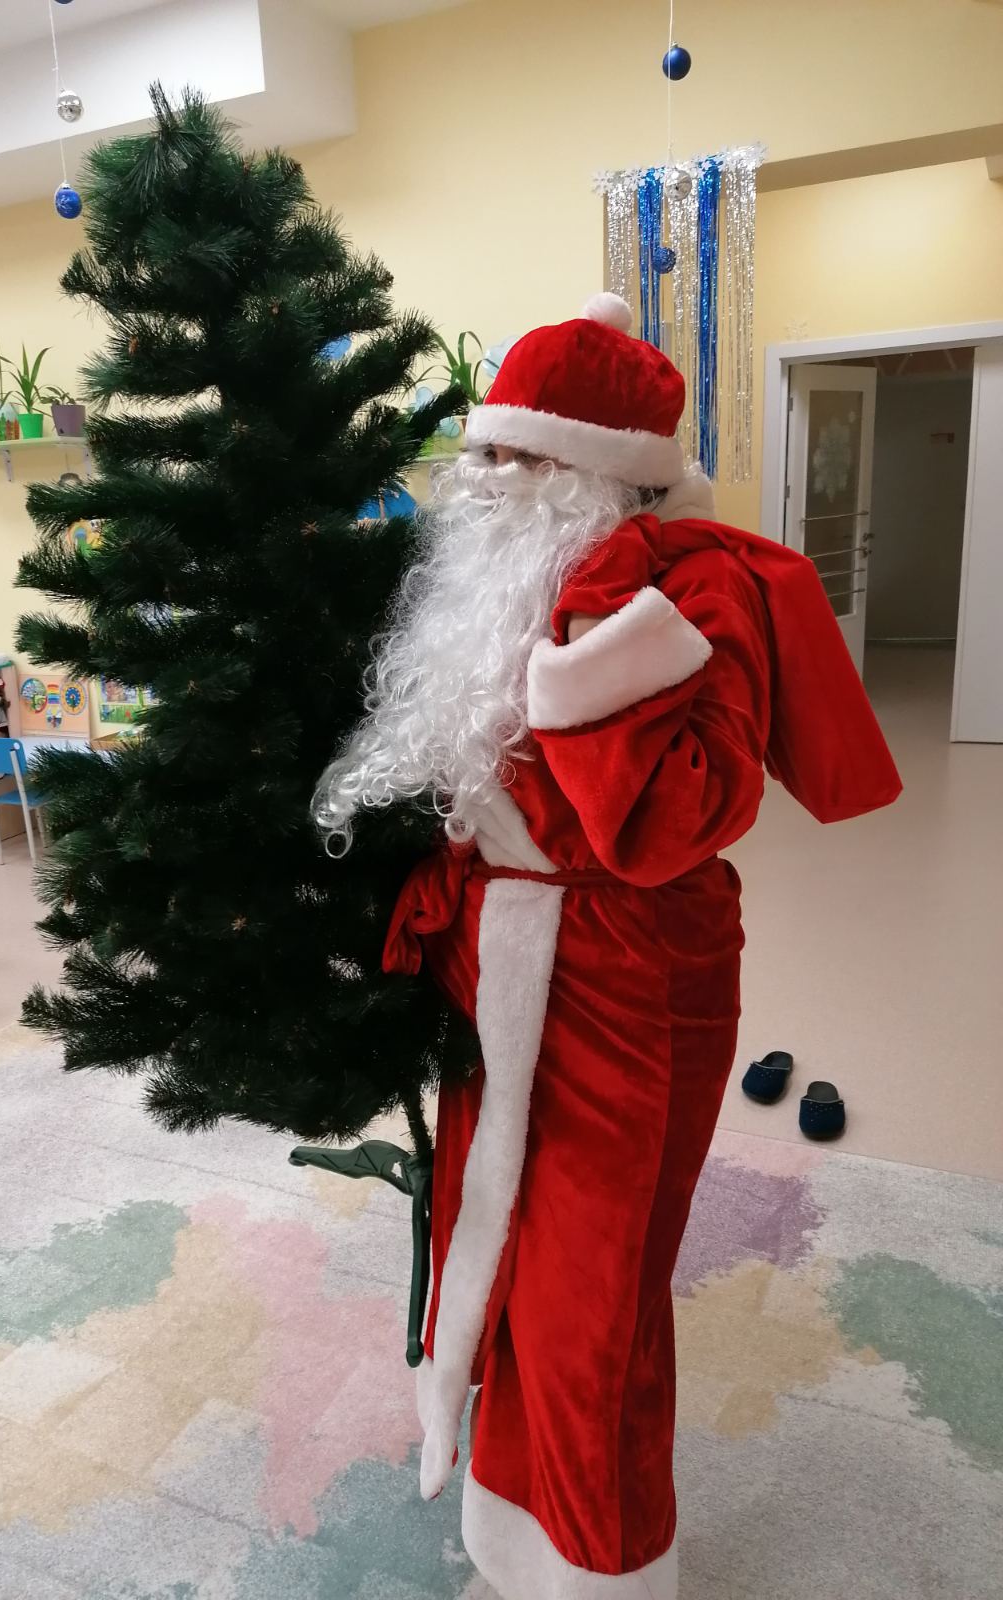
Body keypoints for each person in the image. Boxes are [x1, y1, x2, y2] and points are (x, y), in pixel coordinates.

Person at [314, 294, 901, 1600]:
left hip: (633, 976)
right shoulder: (500, 577)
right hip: (500, 957)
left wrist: (581, 676)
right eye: (484, 451)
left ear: (595, 472)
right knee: (505, 1251)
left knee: (596, 1305)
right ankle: (513, 1530)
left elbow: (683, 816)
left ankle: (602, 1569)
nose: (485, 479)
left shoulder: (697, 588)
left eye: (517, 457)